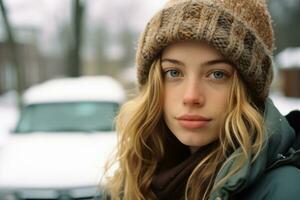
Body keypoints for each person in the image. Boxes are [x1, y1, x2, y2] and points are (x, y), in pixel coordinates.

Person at [104, 0, 300, 199]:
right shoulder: (133, 177)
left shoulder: (284, 189)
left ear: (248, 89)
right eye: (173, 72)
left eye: (217, 74)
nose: (191, 97)